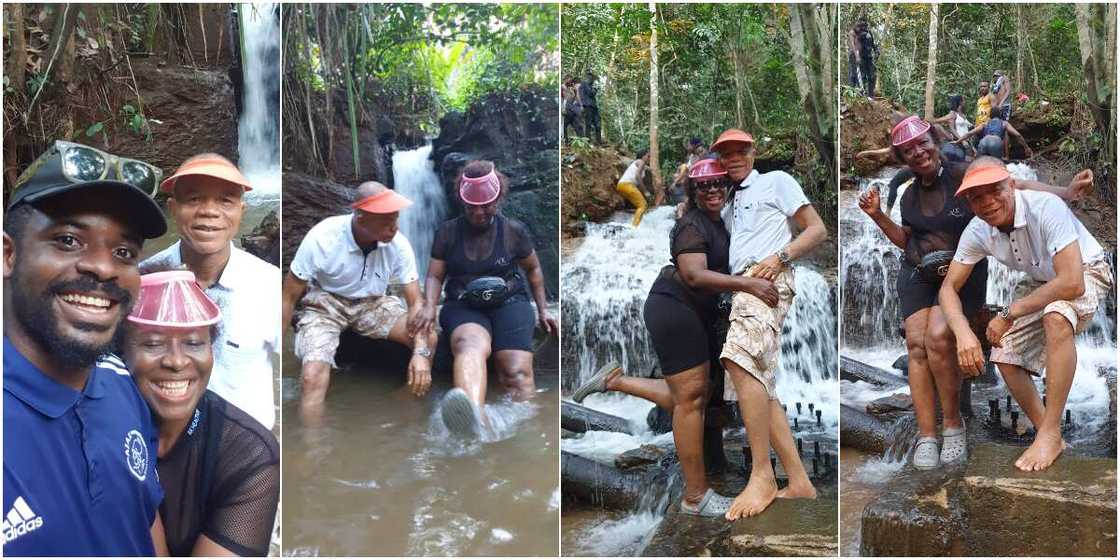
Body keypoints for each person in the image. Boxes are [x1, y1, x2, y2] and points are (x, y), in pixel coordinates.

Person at [3, 141, 169, 555]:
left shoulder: (120, 383)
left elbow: (144, 517)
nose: (104, 266)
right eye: (68, 240)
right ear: (8, 254)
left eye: (124, 252)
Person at [571, 159, 751, 517]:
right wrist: (750, 283)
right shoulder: (690, 226)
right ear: (693, 191)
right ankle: (696, 497)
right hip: (674, 307)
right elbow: (695, 275)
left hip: (686, 311)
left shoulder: (720, 221)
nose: (713, 189)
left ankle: (614, 381)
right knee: (691, 401)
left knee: (690, 395)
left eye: (719, 182)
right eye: (704, 185)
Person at [941, 157, 1112, 472]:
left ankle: (1049, 432)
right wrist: (963, 332)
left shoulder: (1046, 207)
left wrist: (1009, 312)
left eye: (995, 190)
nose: (988, 202)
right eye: (977, 196)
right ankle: (1048, 432)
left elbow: (1072, 282)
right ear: (968, 202)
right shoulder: (978, 230)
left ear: (1011, 184)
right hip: (1041, 279)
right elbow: (948, 288)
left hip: (1086, 269)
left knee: (1056, 317)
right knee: (1005, 354)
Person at [711, 128, 826, 519]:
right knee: (758, 381)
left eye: (740, 151)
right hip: (742, 285)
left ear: (753, 151)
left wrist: (780, 258)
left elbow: (817, 229)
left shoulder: (777, 181)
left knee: (738, 361)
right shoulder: (726, 202)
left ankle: (763, 474)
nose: (734, 158)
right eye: (725, 154)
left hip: (766, 281)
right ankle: (799, 480)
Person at [121, 270, 279, 556]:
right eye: (153, 343)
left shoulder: (250, 454)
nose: (177, 361)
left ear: (212, 351)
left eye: (194, 343)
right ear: (120, 352)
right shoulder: (95, 425)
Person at [858, 116, 984, 470]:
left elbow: (1010, 187)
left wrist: (1065, 194)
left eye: (922, 143)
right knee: (916, 345)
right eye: (908, 149)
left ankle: (953, 424)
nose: (918, 152)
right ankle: (928, 434)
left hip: (961, 273)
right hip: (916, 271)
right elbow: (907, 240)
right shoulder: (910, 194)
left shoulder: (962, 173)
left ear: (934, 141)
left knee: (938, 337)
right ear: (902, 158)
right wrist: (877, 215)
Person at [415, 161, 558, 439]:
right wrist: (430, 306)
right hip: (464, 306)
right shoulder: (447, 232)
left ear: (498, 199)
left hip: (510, 302)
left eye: (486, 206)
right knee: (471, 346)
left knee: (515, 372)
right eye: (472, 207)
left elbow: (533, 269)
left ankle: (528, 438)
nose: (479, 212)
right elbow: (434, 276)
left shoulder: (514, 231)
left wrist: (543, 310)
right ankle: (472, 419)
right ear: (462, 203)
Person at [142, 154, 281, 430]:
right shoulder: (145, 280)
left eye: (225, 201)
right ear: (172, 208)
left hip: (247, 453)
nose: (209, 211)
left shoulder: (269, 285)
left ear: (241, 211)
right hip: (164, 443)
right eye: (194, 199)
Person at [281, 181, 436, 422]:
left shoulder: (398, 244)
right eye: (386, 221)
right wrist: (275, 351)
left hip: (372, 302)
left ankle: (407, 402)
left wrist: (420, 353)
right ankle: (312, 446)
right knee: (311, 376)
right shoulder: (323, 238)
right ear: (361, 218)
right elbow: (289, 296)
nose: (394, 228)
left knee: (429, 339)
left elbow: (415, 302)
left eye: (395, 219)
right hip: (326, 304)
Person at [956, 106, 1033, 160]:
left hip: (984, 142)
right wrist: (1026, 147)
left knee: (980, 165)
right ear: (1000, 114)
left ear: (990, 115)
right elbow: (1018, 135)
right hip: (996, 142)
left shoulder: (985, 123)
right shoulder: (1004, 123)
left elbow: (969, 133)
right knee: (996, 166)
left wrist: (957, 141)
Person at [616, 151, 651, 227]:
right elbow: (637, 176)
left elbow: (637, 182)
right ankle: (634, 228)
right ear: (643, 156)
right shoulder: (641, 161)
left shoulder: (640, 165)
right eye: (648, 156)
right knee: (643, 205)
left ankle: (633, 224)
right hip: (627, 185)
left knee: (639, 206)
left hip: (622, 186)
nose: (649, 158)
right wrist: (645, 191)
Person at [855, 18, 879, 97]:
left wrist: (876, 51)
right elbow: (856, 47)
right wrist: (857, 57)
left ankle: (871, 95)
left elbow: (873, 44)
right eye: (862, 25)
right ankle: (861, 95)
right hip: (862, 58)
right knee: (862, 77)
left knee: (872, 76)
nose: (864, 27)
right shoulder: (858, 34)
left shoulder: (869, 33)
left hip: (869, 57)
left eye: (865, 25)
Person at [579, 71, 602, 144]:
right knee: (588, 124)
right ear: (588, 77)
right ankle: (588, 142)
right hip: (588, 106)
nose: (593, 80)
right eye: (592, 78)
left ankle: (599, 141)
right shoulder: (584, 84)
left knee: (598, 124)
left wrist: (594, 89)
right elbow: (590, 93)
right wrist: (595, 90)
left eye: (593, 79)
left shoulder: (590, 86)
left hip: (594, 107)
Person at [562, 78, 584, 143]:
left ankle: (581, 142)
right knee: (565, 126)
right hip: (569, 109)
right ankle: (567, 142)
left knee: (577, 126)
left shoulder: (574, 89)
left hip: (573, 109)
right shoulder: (564, 88)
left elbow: (577, 98)